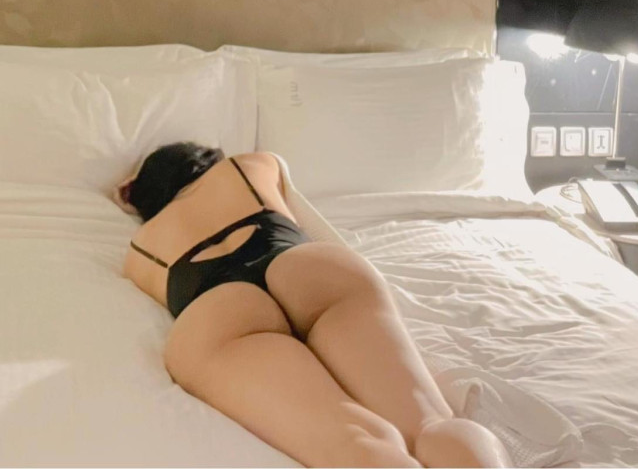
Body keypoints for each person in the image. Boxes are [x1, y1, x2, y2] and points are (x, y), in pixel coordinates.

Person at [116, 143, 511, 469]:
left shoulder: (140, 248)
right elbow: (302, 209)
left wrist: (136, 195)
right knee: (428, 425)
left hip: (219, 307)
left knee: (352, 443)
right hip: (304, 268)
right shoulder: (250, 164)